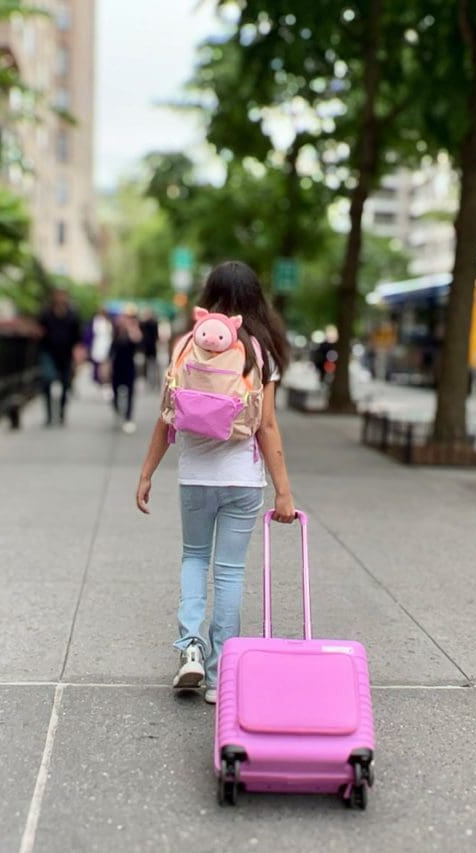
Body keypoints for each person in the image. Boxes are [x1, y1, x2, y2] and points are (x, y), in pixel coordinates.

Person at [135, 260, 296, 705]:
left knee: (193, 559)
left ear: (210, 293)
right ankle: (219, 673)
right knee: (228, 573)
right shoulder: (262, 350)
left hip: (195, 477)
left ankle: (189, 647)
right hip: (243, 480)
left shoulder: (190, 342)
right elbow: (267, 426)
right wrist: (283, 490)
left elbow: (166, 416)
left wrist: (147, 471)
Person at [37, 289, 81, 426]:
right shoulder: (46, 314)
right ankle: (49, 415)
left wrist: (77, 354)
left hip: (66, 354)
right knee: (48, 380)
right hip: (49, 352)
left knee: (65, 383)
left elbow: (77, 336)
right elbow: (40, 330)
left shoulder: (72, 315)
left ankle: (61, 412)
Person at [111, 307, 142, 433]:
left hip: (129, 365)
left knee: (130, 392)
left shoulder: (133, 330)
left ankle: (128, 417)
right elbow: (110, 350)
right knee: (115, 390)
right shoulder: (116, 332)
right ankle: (118, 410)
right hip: (116, 365)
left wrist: (131, 327)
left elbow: (137, 339)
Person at [139, 308, 161, 390]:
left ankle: (153, 382)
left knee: (152, 366)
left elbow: (156, 336)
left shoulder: (153, 323)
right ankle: (149, 381)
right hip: (146, 348)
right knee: (147, 366)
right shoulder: (143, 324)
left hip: (151, 348)